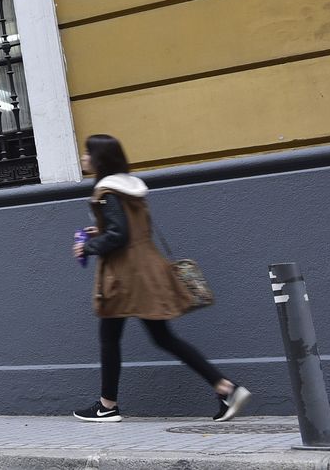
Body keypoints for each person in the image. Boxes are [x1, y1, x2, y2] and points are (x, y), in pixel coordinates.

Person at [70, 134, 251, 422]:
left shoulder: (106, 191)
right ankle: (225, 387)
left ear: (100, 159)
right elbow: (129, 229)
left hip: (125, 277)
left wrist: (88, 246)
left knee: (110, 338)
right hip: (147, 269)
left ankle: (107, 405)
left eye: (88, 152)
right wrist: (99, 231)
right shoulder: (131, 189)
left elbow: (119, 235)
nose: (83, 157)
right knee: (162, 337)